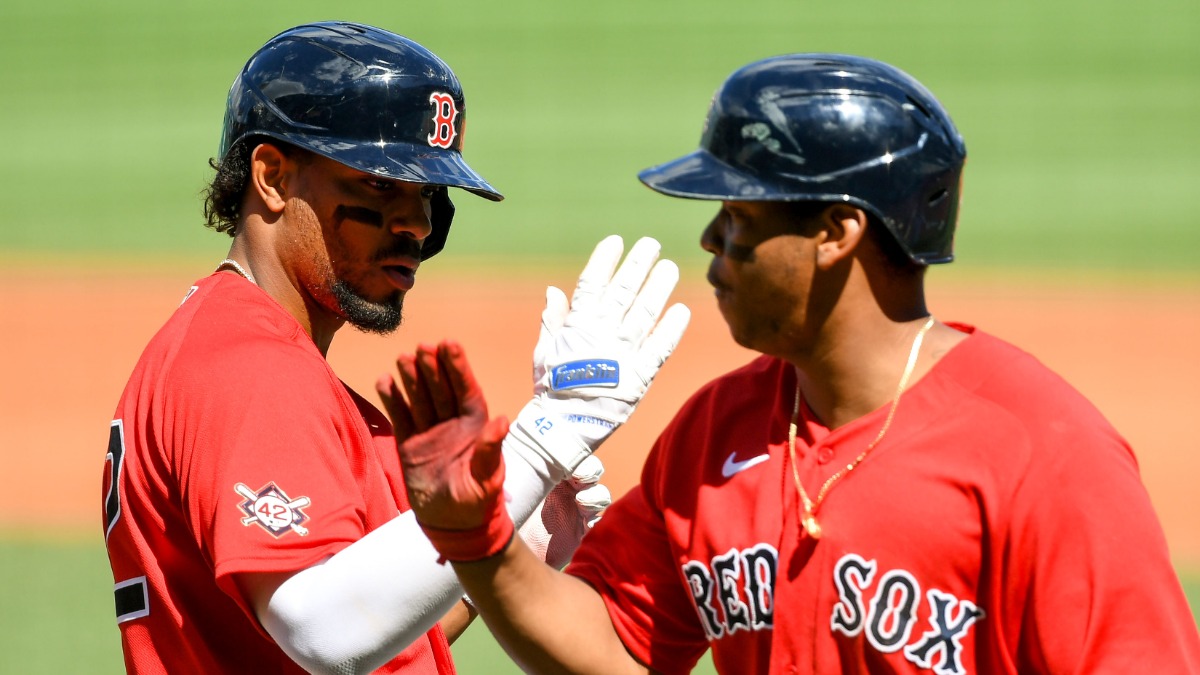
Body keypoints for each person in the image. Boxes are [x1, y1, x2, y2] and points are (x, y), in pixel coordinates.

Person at [387, 54, 1200, 673]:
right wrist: (479, 537)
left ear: (837, 232)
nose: (711, 241)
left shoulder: (1043, 453)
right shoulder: (720, 430)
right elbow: (617, 642)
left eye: (739, 216)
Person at [100, 21, 688, 674]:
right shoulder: (251, 366)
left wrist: (497, 541)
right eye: (381, 185)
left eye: (427, 194)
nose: (417, 222)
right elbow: (320, 630)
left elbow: (370, 641)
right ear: (271, 175)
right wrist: (540, 444)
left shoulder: (233, 344)